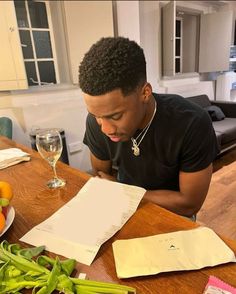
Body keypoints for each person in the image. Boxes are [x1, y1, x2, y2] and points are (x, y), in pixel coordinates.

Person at [78, 36, 219, 218]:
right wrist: (119, 195)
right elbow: (102, 178)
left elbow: (188, 204)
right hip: (121, 206)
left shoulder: (191, 123)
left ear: (145, 93)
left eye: (115, 116)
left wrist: (125, 193)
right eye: (97, 116)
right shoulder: (95, 123)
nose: (105, 129)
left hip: (172, 215)